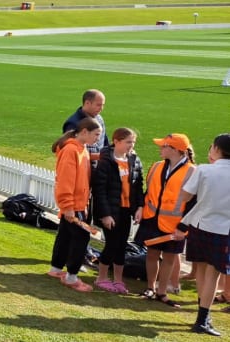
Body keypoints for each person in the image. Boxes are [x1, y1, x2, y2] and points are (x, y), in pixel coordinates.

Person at [172, 134, 230, 336]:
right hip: (223, 230)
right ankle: (202, 319)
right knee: (212, 276)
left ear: (216, 149)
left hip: (199, 225)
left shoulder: (204, 170)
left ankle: (202, 315)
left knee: (203, 272)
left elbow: (186, 196)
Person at [135, 134, 196, 306]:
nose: (160, 149)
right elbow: (147, 192)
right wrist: (140, 208)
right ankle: (150, 288)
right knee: (152, 254)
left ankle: (162, 292)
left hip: (175, 224)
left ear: (175, 150)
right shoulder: (156, 166)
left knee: (169, 257)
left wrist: (183, 227)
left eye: (164, 146)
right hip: (152, 218)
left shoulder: (192, 171)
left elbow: (193, 203)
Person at [47, 117, 103, 291]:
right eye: (96, 134)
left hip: (77, 203)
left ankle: (56, 269)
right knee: (81, 239)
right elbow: (65, 181)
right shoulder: (72, 150)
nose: (98, 139)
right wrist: (68, 206)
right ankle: (72, 277)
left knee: (64, 237)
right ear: (84, 132)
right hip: (74, 205)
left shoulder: (81, 149)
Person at [91, 128, 144, 294]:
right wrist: (105, 214)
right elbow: (99, 190)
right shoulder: (106, 160)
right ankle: (101, 278)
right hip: (111, 210)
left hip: (125, 209)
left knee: (122, 245)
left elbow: (137, 186)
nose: (131, 145)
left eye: (133, 142)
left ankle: (118, 280)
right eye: (128, 142)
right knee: (112, 244)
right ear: (117, 141)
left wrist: (139, 207)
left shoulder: (134, 160)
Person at [62, 89, 108, 160]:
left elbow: (104, 142)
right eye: (98, 105)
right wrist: (99, 156)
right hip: (84, 167)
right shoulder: (73, 123)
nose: (101, 108)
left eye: (103, 105)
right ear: (87, 103)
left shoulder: (99, 118)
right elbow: (71, 152)